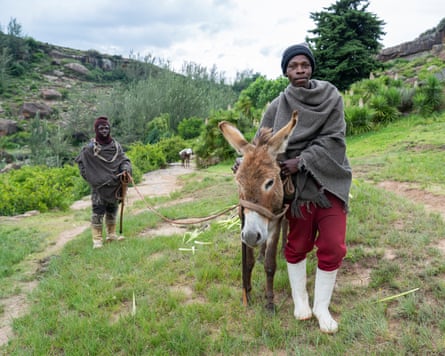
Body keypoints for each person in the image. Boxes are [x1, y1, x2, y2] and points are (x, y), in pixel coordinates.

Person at [233, 43, 352, 333]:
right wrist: (243, 162)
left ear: (312, 67)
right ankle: (301, 301)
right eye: (293, 66)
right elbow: (259, 146)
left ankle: (321, 307)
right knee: (296, 245)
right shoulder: (277, 106)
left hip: (328, 180)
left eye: (304, 64)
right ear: (285, 71)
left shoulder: (330, 96)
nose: (300, 69)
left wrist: (302, 160)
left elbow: (335, 139)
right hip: (294, 190)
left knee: (333, 246)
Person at [75, 116, 132, 249]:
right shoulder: (89, 149)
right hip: (99, 188)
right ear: (96, 129)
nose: (104, 130)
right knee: (98, 213)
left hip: (115, 186)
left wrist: (125, 169)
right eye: (101, 128)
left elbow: (125, 160)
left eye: (106, 128)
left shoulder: (116, 146)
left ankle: (111, 235)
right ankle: (97, 240)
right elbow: (82, 165)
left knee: (112, 211)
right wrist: (92, 178)